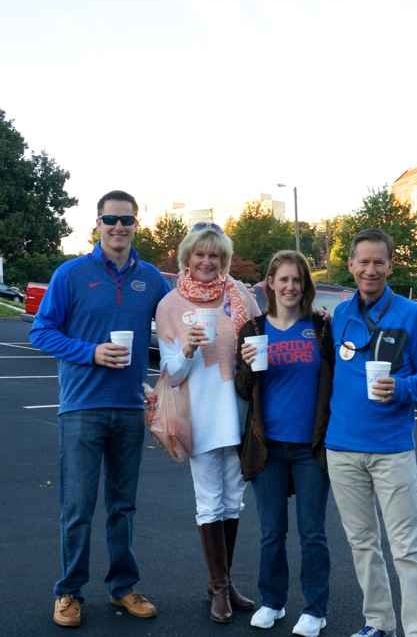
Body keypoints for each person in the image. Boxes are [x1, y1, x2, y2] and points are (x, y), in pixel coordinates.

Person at [30, 190, 171, 628]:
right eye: (110, 219)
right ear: (97, 224)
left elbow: (176, 322)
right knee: (77, 506)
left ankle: (122, 587)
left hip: (130, 409)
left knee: (122, 507)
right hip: (81, 409)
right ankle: (69, 592)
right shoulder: (71, 274)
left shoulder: (150, 278)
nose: (118, 227)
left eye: (126, 220)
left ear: (135, 226)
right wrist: (91, 352)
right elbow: (42, 331)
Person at [324, 228, 417, 637]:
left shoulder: (411, 314)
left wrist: (401, 388)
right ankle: (377, 621)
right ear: (351, 266)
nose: (370, 270)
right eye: (363, 262)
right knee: (362, 544)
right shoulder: (340, 314)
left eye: (379, 262)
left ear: (391, 265)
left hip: (391, 451)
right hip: (341, 449)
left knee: (407, 549)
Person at [155, 223, 261, 623]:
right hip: (199, 413)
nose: (206, 261)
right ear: (187, 257)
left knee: (234, 499)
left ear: (224, 260)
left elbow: (265, 333)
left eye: (214, 255)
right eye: (200, 254)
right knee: (209, 501)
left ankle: (226, 580)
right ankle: (217, 587)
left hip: (238, 411)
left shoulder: (240, 296)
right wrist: (185, 348)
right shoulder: (169, 305)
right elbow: (173, 373)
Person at [235, 250, 334, 637]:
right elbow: (244, 390)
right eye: (283, 280)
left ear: (304, 285)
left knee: (313, 533)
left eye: (297, 280)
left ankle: (315, 609)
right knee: (271, 532)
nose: (290, 286)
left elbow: (337, 377)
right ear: (270, 284)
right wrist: (245, 363)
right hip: (267, 446)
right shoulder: (254, 329)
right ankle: (272, 601)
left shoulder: (320, 328)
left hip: (310, 447)